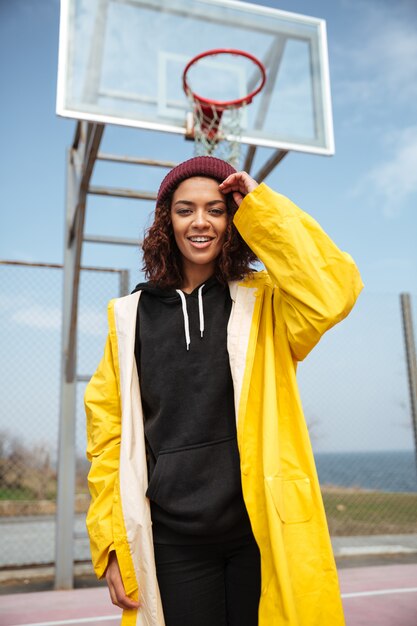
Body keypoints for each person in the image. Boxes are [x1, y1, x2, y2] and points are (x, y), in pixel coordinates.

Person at [85, 156, 363, 626]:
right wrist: (110, 544)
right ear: (165, 222)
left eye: (216, 209)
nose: (200, 222)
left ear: (232, 220)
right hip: (174, 539)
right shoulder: (128, 318)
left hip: (259, 533)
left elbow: (334, 290)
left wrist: (261, 206)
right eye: (185, 209)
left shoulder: (267, 304)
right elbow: (107, 437)